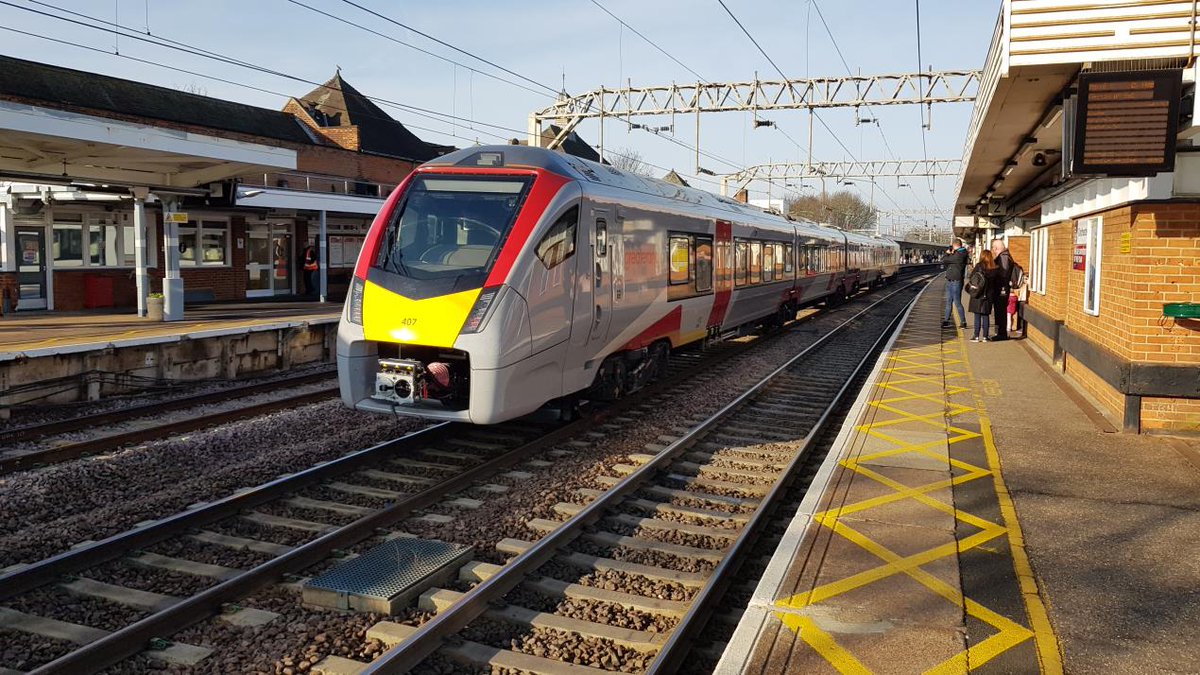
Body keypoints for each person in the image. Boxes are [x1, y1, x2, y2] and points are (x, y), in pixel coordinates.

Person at [967, 250, 1005, 342]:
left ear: (982, 256)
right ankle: (985, 337)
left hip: (978, 294)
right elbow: (998, 283)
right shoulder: (995, 268)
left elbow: (972, 278)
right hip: (989, 295)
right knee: (985, 316)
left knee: (977, 316)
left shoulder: (979, 266)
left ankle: (976, 336)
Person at [941, 238, 969, 329]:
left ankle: (963, 322)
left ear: (954, 245)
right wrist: (951, 253)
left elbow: (944, 260)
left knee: (957, 302)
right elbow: (947, 262)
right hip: (950, 280)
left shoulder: (960, 254)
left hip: (956, 281)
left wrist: (947, 253)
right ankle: (946, 320)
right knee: (949, 301)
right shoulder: (957, 253)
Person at [990, 239, 1014, 340]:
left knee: (1000, 311)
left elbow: (1003, 273)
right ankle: (1000, 333)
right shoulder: (1006, 256)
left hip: (1001, 288)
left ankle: (1001, 334)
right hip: (1003, 288)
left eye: (993, 248)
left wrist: (995, 275)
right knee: (1000, 311)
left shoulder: (1003, 257)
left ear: (995, 248)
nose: (992, 250)